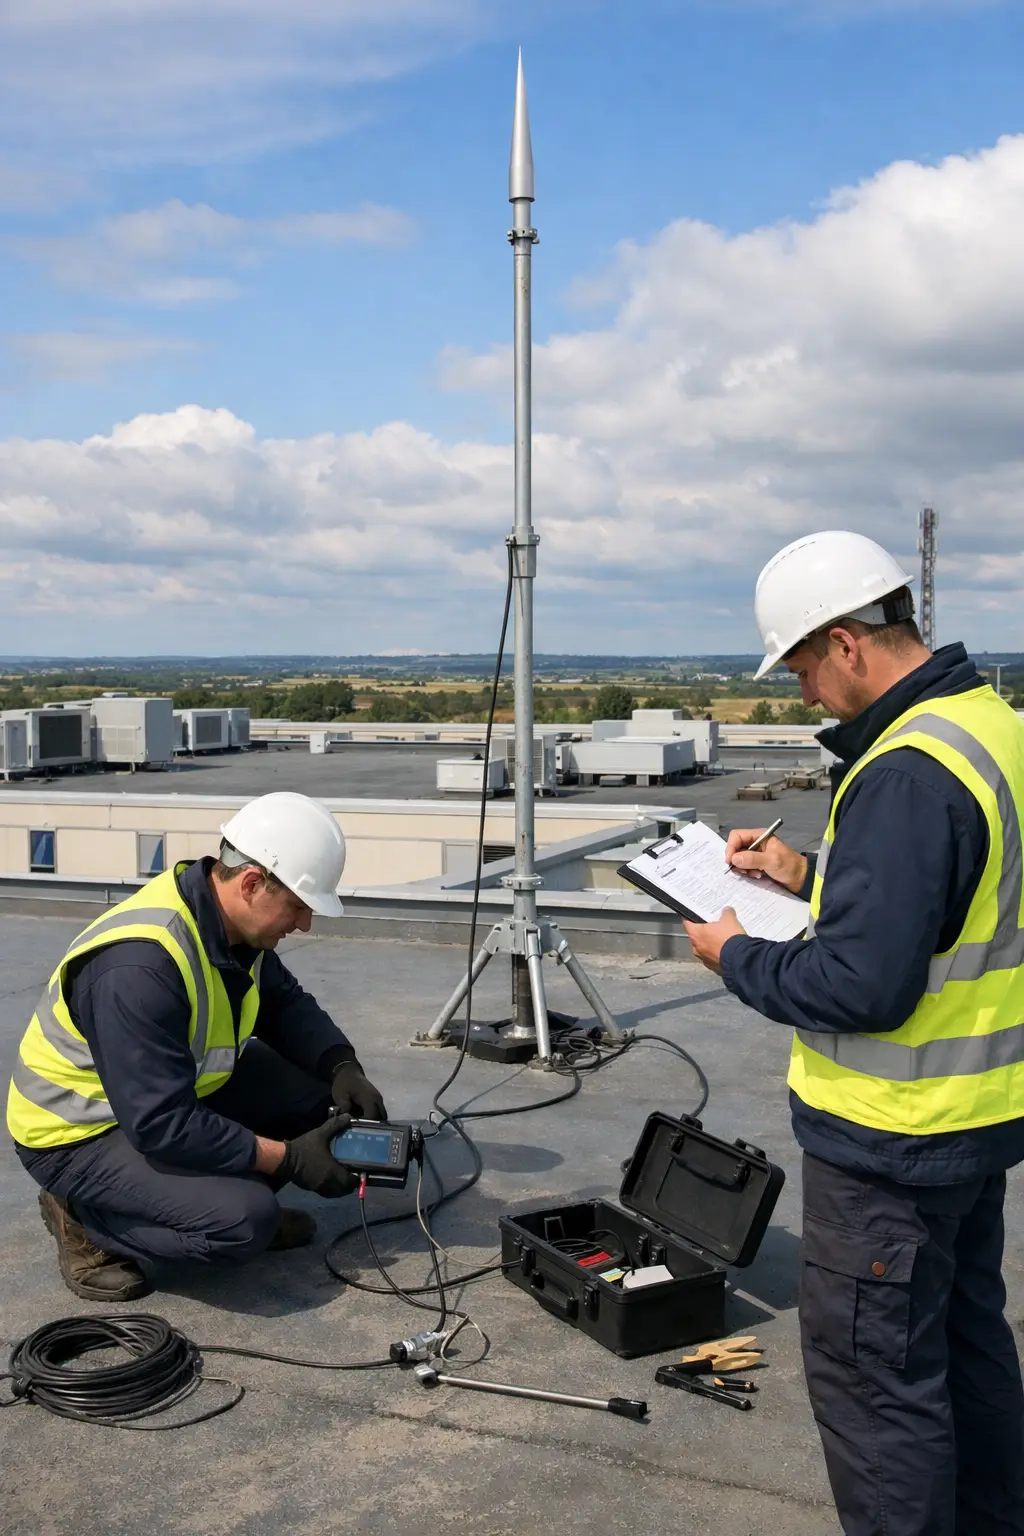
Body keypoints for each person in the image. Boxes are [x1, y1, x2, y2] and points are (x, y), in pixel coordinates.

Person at [684, 531, 1024, 1536]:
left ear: (844, 642)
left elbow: (860, 986)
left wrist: (733, 954)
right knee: (965, 1352)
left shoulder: (902, 773)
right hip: (976, 1119)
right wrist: (807, 881)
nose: (800, 696)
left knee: (878, 1391)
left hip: (891, 1140)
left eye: (798, 668)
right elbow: (954, 910)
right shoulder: (987, 728)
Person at [7, 791, 388, 1303]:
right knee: (242, 1221)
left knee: (321, 1102)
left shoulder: (229, 924)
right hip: (77, 1134)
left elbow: (283, 1003)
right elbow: (161, 1123)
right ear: (252, 882)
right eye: (298, 906)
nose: (303, 924)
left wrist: (342, 1066)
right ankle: (82, 1213)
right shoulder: (138, 968)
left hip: (161, 1096)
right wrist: (290, 1160)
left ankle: (191, 1197)